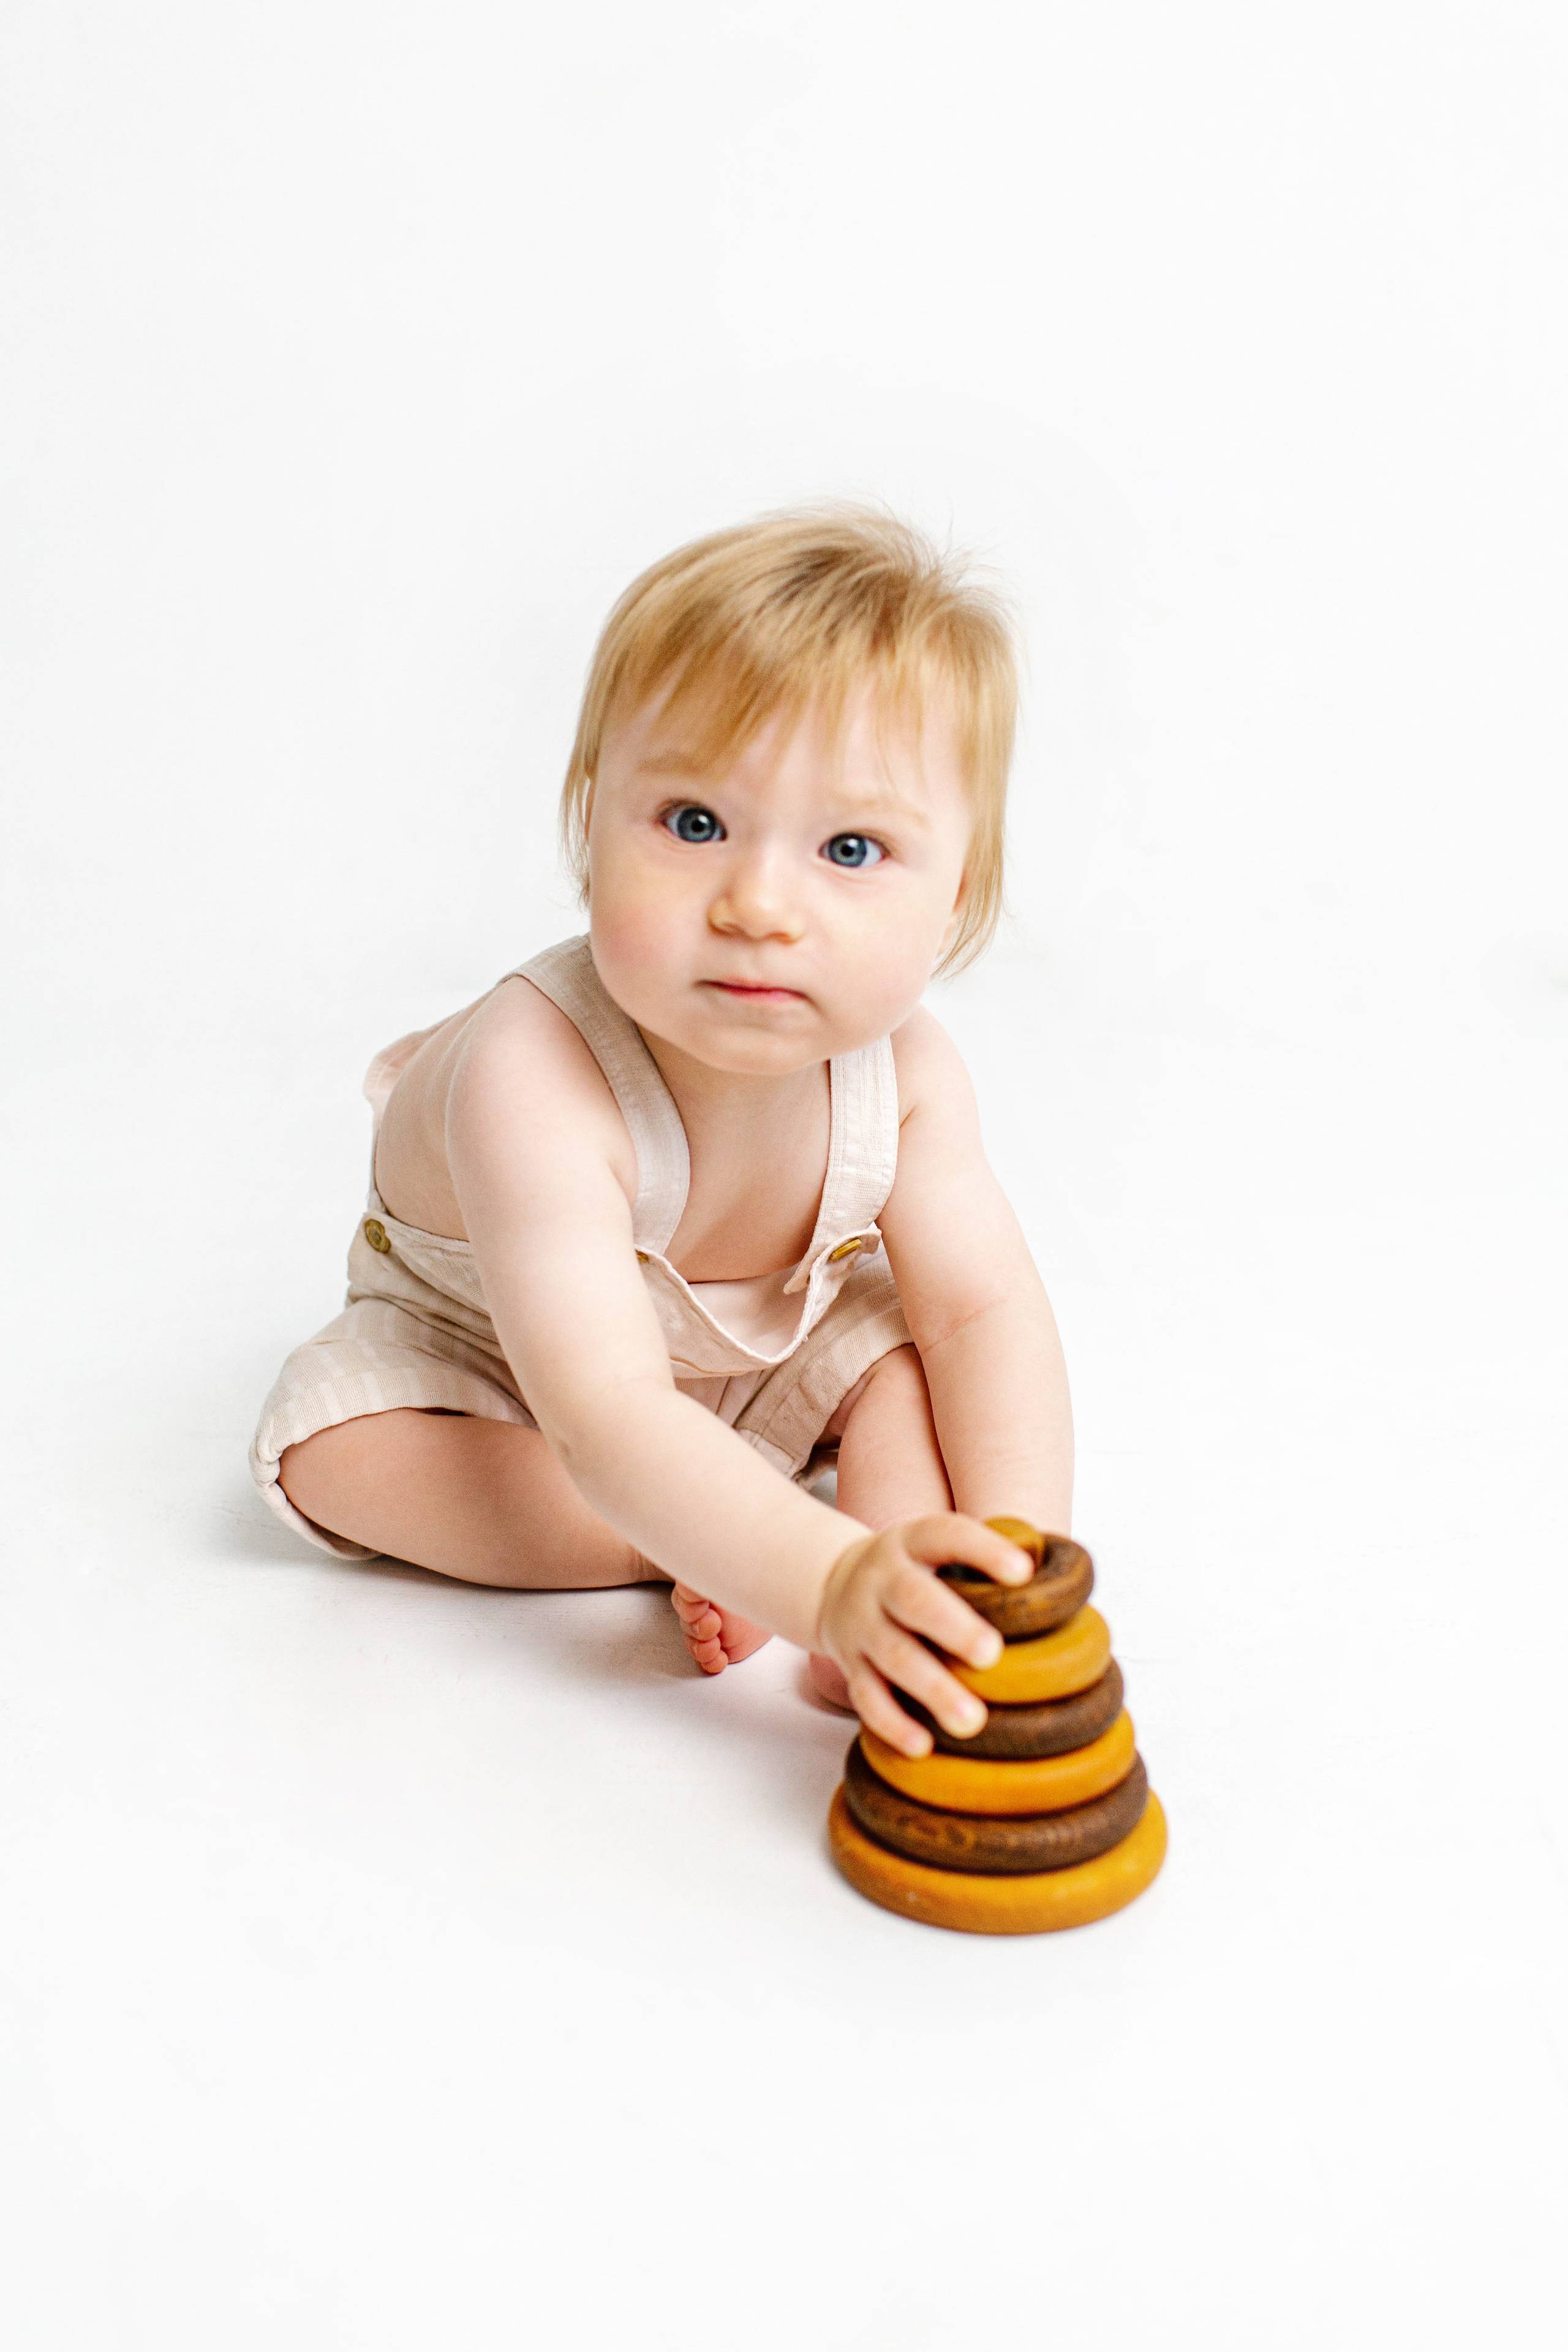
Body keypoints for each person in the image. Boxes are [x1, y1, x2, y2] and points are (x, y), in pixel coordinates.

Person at [251, 508, 1074, 1758]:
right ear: (593, 822)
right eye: (694, 824)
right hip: (518, 1373)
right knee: (337, 1461)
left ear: (952, 892)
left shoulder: (904, 1071)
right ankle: (743, 1546)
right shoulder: (532, 1077)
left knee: (906, 1362)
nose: (756, 905)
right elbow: (605, 1408)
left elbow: (981, 1314)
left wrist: (1027, 1562)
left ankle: (935, 1593)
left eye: (850, 849)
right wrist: (817, 1581)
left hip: (754, 1348)